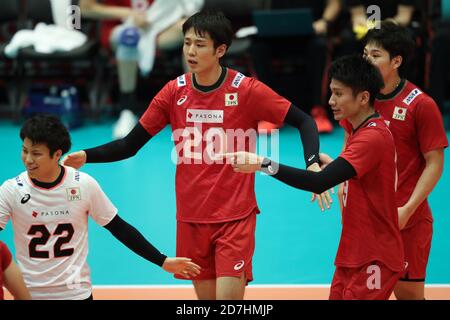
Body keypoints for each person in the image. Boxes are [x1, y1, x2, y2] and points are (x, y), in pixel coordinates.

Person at [62, 10, 329, 300]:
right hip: (191, 218)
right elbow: (130, 145)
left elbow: (305, 121)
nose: (190, 51)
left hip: (235, 216)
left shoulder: (246, 90)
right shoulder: (172, 92)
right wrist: (87, 156)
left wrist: (312, 163)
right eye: (187, 42)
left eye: (200, 44)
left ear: (220, 50)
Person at [223, 55, 405, 300]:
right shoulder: (359, 129)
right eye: (331, 92)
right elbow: (361, 174)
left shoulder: (372, 137)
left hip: (376, 256)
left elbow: (318, 183)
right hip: (354, 252)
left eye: (339, 94)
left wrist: (261, 163)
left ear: (363, 97)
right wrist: (336, 167)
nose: (331, 101)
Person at [0, 114, 200, 300]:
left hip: (76, 294)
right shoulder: (11, 190)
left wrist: (162, 261)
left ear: (57, 154)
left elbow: (118, 227)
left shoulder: (82, 185)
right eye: (24, 151)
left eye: (36, 154)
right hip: (29, 294)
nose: (28, 159)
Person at [359, 21, 448, 300]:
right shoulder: (361, 100)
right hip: (369, 220)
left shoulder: (421, 105)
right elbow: (352, 149)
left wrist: (408, 208)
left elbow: (435, 163)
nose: (367, 61)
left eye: (375, 56)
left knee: (408, 296)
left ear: (396, 61)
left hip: (406, 221)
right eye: (364, 55)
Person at [79, 0, 201, 139]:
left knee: (194, 30)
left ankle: (194, 108)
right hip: (119, 28)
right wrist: (129, 14)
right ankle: (127, 109)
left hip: (158, 28)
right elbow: (86, 8)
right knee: (129, 36)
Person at [251, 0, 342, 133]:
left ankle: (319, 111)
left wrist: (324, 21)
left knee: (320, 47)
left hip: (311, 32)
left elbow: (334, 3)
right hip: (276, 34)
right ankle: (269, 113)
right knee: (257, 48)